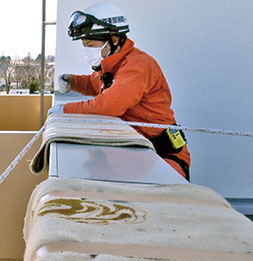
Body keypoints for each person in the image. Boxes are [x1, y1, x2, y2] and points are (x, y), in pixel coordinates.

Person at [52, 3, 191, 181]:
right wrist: (73, 81)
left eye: (91, 45)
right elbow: (95, 84)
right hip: (135, 154)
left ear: (114, 40)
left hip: (163, 160)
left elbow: (109, 105)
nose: (87, 51)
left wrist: (64, 111)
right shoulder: (113, 65)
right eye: (85, 45)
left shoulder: (137, 66)